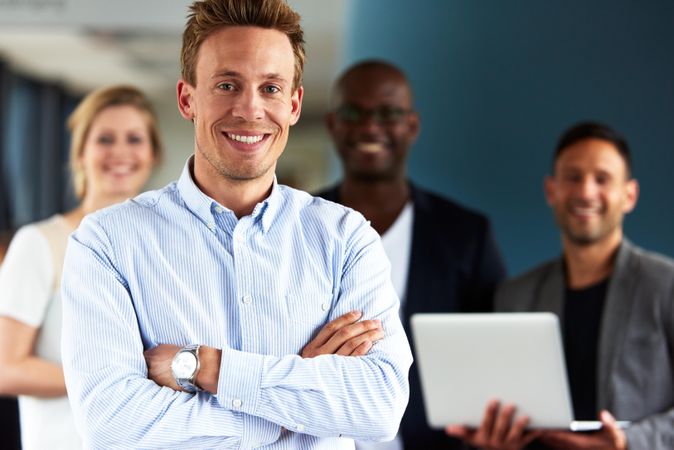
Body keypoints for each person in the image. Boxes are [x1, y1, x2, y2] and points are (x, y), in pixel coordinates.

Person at [60, 1, 413, 449]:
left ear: (294, 104)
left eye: (270, 88)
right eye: (227, 85)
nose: (250, 110)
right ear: (188, 98)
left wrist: (207, 368)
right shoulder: (107, 242)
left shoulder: (347, 238)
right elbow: (111, 424)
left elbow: (379, 406)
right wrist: (295, 404)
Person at [445, 121, 674, 450]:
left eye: (602, 179)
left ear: (629, 195)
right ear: (551, 190)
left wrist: (627, 442)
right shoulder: (515, 296)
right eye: (573, 177)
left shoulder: (665, 286)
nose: (585, 191)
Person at [316, 59, 506, 449]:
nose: (371, 127)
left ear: (412, 126)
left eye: (388, 113)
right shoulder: (296, 226)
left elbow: (498, 352)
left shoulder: (466, 234)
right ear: (333, 125)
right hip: (318, 438)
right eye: (354, 113)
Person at [0, 85, 162, 450]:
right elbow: (6, 368)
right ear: (80, 152)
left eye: (134, 139)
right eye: (105, 139)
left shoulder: (164, 250)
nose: (120, 152)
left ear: (152, 154)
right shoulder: (39, 243)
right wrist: (122, 382)